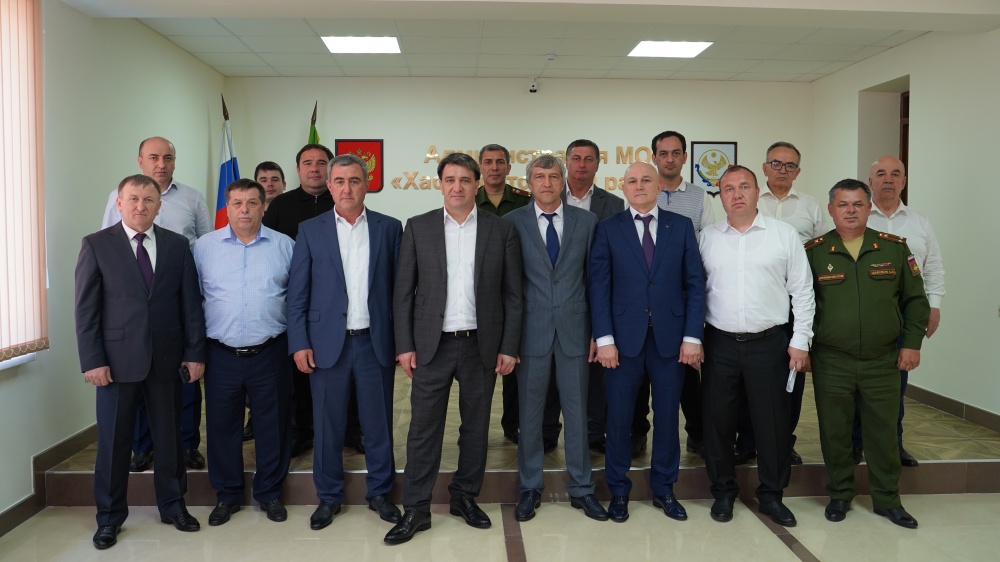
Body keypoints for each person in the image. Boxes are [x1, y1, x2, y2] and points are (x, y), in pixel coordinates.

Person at [385, 153, 522, 544]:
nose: (457, 187)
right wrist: (404, 345)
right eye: (450, 179)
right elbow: (403, 292)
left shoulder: (501, 230)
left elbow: (513, 295)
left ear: (477, 184)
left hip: (482, 344)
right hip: (432, 346)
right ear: (440, 184)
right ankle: (416, 508)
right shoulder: (419, 226)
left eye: (465, 180)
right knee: (423, 430)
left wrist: (509, 346)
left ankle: (464, 497)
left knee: (475, 428)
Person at [76, 174, 206, 550]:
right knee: (114, 444)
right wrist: (93, 360)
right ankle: (109, 517)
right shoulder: (97, 245)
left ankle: (173, 506)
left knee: (170, 439)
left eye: (148, 200)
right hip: (115, 364)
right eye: (133, 199)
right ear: (119, 203)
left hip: (167, 360)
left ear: (159, 206)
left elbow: (190, 305)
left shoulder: (177, 245)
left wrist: (195, 353)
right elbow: (86, 310)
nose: (140, 206)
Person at [287, 154, 403, 531]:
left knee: (378, 423)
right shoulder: (310, 230)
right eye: (339, 181)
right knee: (328, 425)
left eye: (354, 181)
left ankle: (380, 492)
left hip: (375, 343)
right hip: (325, 345)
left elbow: (400, 293)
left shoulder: (389, 228)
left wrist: (403, 342)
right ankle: (329, 496)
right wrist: (299, 342)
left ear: (366, 184)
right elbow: (297, 294)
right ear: (329, 185)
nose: (346, 188)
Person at [806, 179, 929, 529]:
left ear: (869, 208)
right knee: (835, 432)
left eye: (858, 204)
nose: (850, 211)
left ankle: (887, 499)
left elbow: (915, 301)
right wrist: (804, 347)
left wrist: (911, 344)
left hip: (882, 360)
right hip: (832, 360)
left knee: (883, 433)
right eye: (843, 204)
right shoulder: (814, 252)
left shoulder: (893, 249)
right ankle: (840, 494)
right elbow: (801, 304)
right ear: (831, 210)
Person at [589, 161, 706, 523]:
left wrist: (692, 336)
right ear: (623, 188)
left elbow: (695, 284)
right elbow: (598, 287)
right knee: (619, 420)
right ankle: (618, 491)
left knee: (668, 418)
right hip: (621, 343)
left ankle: (664, 489)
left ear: (659, 187)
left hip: (671, 342)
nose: (639, 186)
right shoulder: (608, 229)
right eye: (632, 181)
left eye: (645, 180)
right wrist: (604, 339)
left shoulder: (680, 227)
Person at [699, 166, 814, 526]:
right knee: (718, 422)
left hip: (770, 344)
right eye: (728, 189)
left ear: (756, 191)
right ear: (720, 196)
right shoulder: (707, 238)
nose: (737, 194)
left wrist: (800, 341)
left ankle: (772, 495)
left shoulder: (783, 235)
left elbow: (803, 291)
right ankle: (723, 492)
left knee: (772, 423)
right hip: (719, 344)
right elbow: (694, 292)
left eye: (744, 187)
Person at [100, 136, 211, 472]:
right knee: (136, 376)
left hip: (177, 301)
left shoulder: (192, 197)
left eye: (167, 158)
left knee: (183, 380)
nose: (161, 164)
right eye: (153, 157)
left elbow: (205, 246)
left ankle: (188, 444)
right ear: (140, 161)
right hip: (134, 307)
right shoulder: (119, 196)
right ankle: (143, 446)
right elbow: (109, 250)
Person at [506, 155, 606, 522]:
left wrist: (599, 332)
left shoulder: (587, 222)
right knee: (530, 417)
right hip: (530, 335)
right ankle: (530, 487)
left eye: (552, 176)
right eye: (539, 177)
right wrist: (509, 341)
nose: (546, 183)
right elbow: (508, 287)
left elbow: (595, 282)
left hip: (575, 333)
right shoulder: (511, 223)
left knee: (578, 414)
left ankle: (582, 488)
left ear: (563, 182)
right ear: (528, 183)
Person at [193, 179, 293, 526]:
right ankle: (228, 495)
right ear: (228, 207)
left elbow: (298, 299)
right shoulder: (204, 248)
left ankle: (270, 493)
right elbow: (192, 302)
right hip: (220, 353)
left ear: (264, 206)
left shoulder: (285, 246)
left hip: (271, 351)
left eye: (252, 203)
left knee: (272, 426)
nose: (245, 210)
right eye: (237, 203)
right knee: (222, 427)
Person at [263, 144, 364, 458]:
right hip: (300, 305)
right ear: (298, 170)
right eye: (308, 163)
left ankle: (352, 431)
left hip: (343, 309)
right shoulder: (281, 205)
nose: (315, 169)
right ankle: (303, 432)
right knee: (302, 376)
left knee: (350, 379)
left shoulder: (347, 204)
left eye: (321, 163)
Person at [853, 155, 945, 468]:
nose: (888, 179)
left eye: (895, 174)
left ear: (904, 181)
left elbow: (933, 267)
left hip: (905, 316)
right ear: (870, 181)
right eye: (881, 174)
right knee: (857, 386)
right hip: (864, 317)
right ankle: (855, 443)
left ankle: (893, 443)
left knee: (896, 385)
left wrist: (934, 306)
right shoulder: (857, 218)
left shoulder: (920, 222)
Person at [739, 141, 826, 466]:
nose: (782, 170)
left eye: (790, 165)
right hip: (757, 299)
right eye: (776, 163)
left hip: (796, 301)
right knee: (748, 375)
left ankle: (783, 441)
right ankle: (747, 440)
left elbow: (822, 251)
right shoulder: (748, 198)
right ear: (764, 168)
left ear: (798, 172)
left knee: (791, 374)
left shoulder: (811, 206)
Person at [646, 130, 715, 459]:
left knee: (687, 373)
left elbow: (708, 248)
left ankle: (697, 433)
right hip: (644, 302)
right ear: (654, 158)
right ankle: (637, 433)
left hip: (683, 299)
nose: (670, 159)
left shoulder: (701, 198)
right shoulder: (643, 192)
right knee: (640, 375)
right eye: (663, 153)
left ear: (685, 157)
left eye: (676, 153)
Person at [562, 139, 624, 455]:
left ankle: (594, 432)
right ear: (567, 162)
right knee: (554, 368)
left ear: (598, 165)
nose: (582, 164)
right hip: (561, 298)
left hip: (600, 297)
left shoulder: (614, 204)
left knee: (597, 371)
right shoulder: (549, 197)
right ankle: (548, 432)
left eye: (589, 159)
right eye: (576, 158)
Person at [474, 143, 533, 447]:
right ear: (480, 167)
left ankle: (513, 425)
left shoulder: (525, 201)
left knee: (514, 365)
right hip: (479, 297)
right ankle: (473, 431)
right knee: (476, 372)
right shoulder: (469, 200)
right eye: (488, 162)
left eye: (500, 162)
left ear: (509, 168)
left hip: (516, 293)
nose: (494, 167)